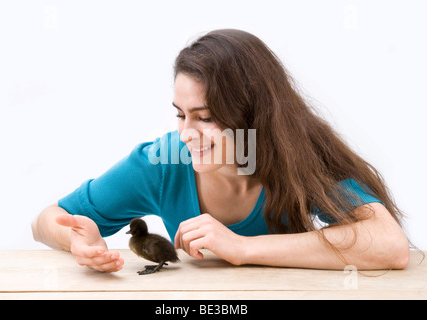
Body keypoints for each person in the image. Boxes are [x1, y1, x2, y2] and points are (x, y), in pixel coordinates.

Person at [31, 29, 410, 272]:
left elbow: (390, 245)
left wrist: (242, 247)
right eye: (180, 115)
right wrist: (75, 240)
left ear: (255, 116)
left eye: (206, 117)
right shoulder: (163, 162)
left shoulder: (300, 157)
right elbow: (46, 221)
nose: (186, 134)